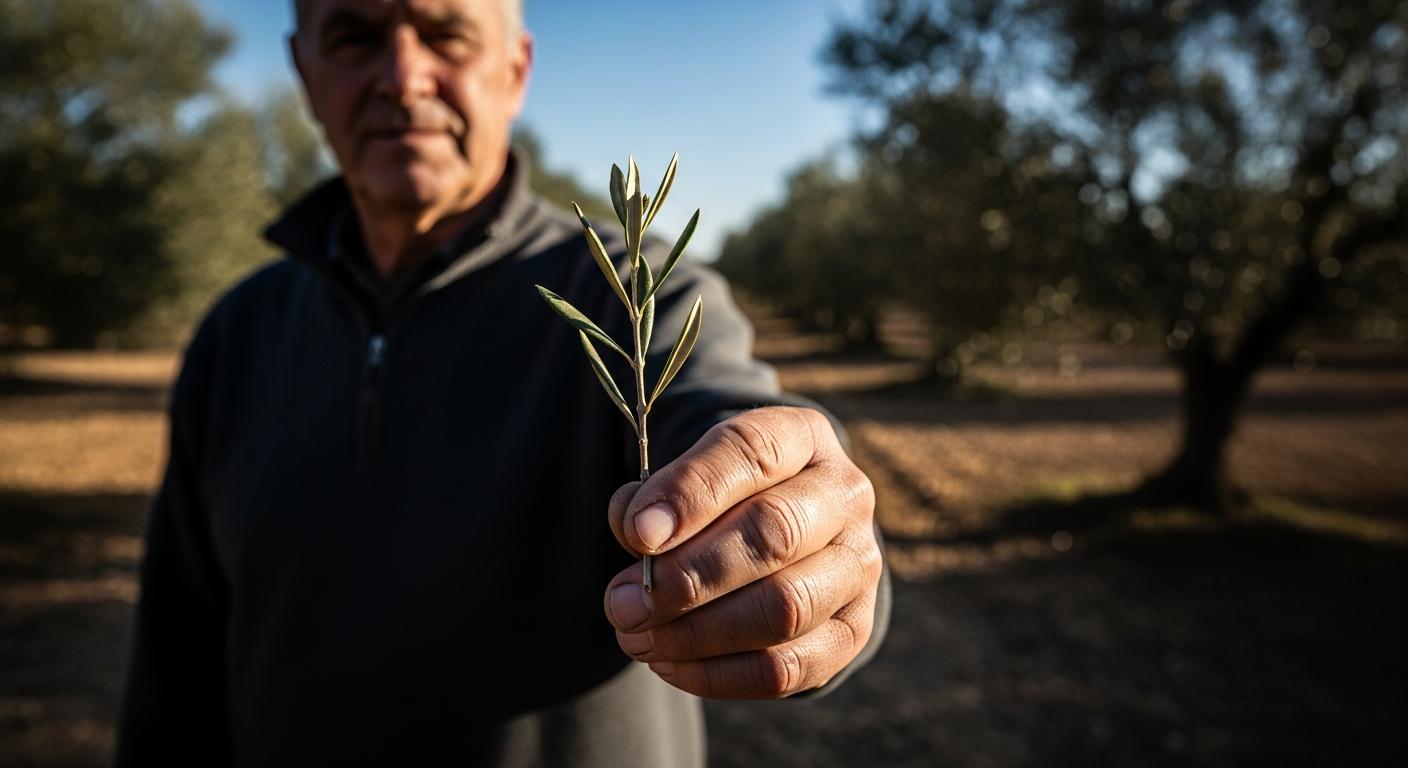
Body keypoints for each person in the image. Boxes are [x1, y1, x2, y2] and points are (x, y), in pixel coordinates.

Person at [115, 0, 889, 764]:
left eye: (446, 34)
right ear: (304, 73)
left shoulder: (635, 292)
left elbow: (726, 413)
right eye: (354, 37)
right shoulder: (237, 334)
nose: (403, 76)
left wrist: (810, 536)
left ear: (515, 71)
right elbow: (176, 658)